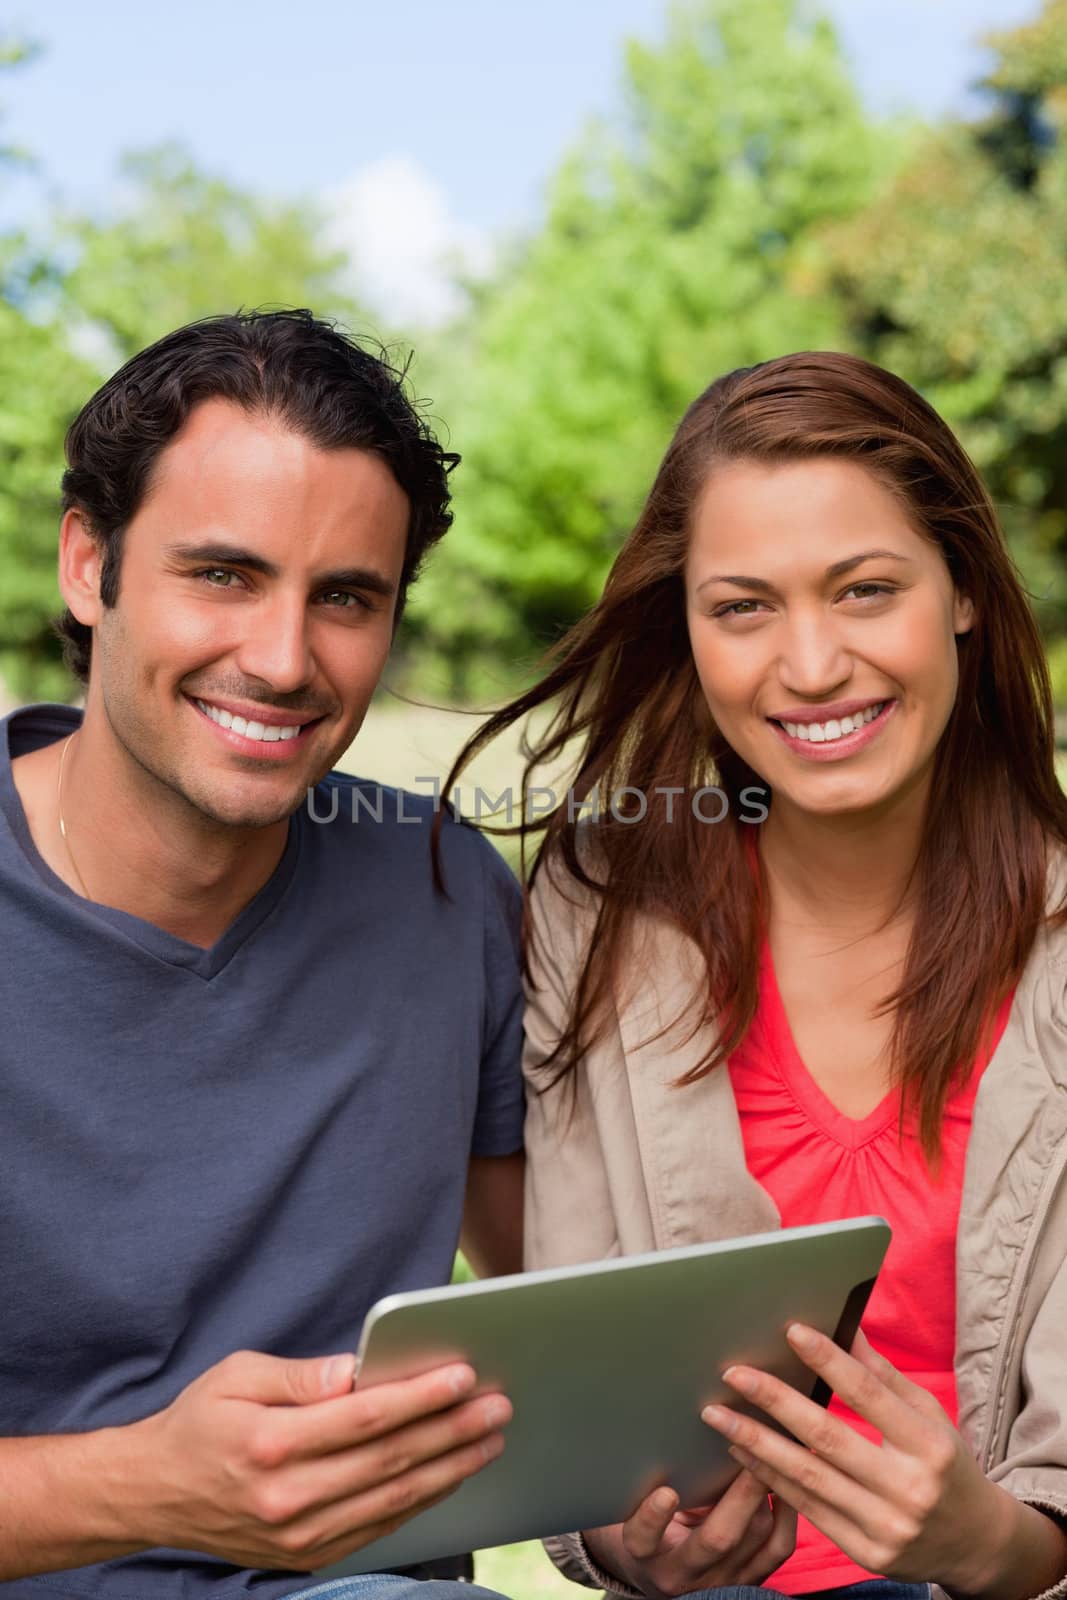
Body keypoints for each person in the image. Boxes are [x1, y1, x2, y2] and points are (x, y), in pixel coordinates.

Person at [445, 352, 1067, 1600]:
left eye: (864, 589)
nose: (812, 663)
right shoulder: (594, 914)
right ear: (684, 625)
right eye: (742, 607)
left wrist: (979, 1545)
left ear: (958, 592)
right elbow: (590, 1414)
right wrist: (637, 1545)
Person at [0, 311, 527, 1600]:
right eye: (223, 575)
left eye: (346, 597)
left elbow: (561, 1302)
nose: (285, 662)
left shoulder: (444, 890)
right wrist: (136, 1486)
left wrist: (651, 1497)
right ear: (89, 563)